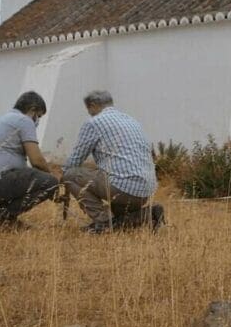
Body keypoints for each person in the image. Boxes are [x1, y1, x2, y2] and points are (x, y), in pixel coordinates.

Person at [61, 90, 163, 233]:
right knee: (121, 218)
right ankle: (149, 213)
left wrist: (62, 179)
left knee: (70, 175)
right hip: (145, 190)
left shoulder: (94, 123)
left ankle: (103, 222)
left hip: (122, 188)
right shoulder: (131, 120)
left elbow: (74, 161)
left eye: (88, 110)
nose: (89, 113)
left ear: (93, 105)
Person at [0, 91, 62, 228]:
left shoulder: (7, 119)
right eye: (38, 116)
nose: (37, 120)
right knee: (49, 182)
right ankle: (3, 217)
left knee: (25, 179)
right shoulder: (24, 121)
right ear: (32, 109)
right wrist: (54, 184)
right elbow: (37, 161)